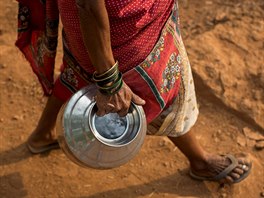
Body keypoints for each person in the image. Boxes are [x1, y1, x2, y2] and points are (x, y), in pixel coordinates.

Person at [16, 0, 251, 184]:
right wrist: (110, 81)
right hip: (118, 36)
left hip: (94, 29)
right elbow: (88, 4)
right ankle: (199, 161)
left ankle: (42, 135)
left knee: (78, 75)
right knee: (156, 97)